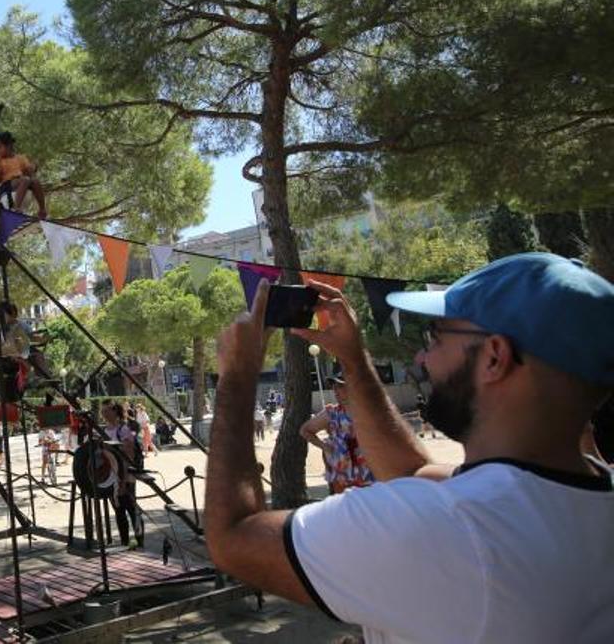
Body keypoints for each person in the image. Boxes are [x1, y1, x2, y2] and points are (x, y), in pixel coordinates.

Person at [203, 254, 614, 643]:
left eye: (435, 337)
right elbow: (413, 474)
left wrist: (237, 378)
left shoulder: (449, 527)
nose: (421, 356)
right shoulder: (587, 495)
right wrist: (354, 360)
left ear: (494, 357)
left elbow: (233, 539)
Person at [300, 379, 375, 494]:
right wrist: (325, 447)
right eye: (333, 387)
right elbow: (305, 430)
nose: (335, 390)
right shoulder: (332, 413)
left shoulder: (368, 411)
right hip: (342, 478)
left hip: (370, 474)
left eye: (339, 386)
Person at [101, 402, 143, 549]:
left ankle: (140, 540)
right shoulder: (103, 431)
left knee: (132, 509)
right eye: (102, 411)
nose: (103, 413)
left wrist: (123, 480)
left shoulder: (123, 430)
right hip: (111, 478)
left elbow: (129, 457)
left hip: (126, 476)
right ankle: (125, 542)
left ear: (115, 412)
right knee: (119, 510)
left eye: (106, 410)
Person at [0, 132, 47, 218]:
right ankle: (16, 208)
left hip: (21, 182)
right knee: (25, 180)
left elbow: (30, 172)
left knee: (34, 181)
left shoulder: (21, 158)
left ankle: (42, 209)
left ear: (8, 146)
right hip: (8, 185)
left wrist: (33, 168)